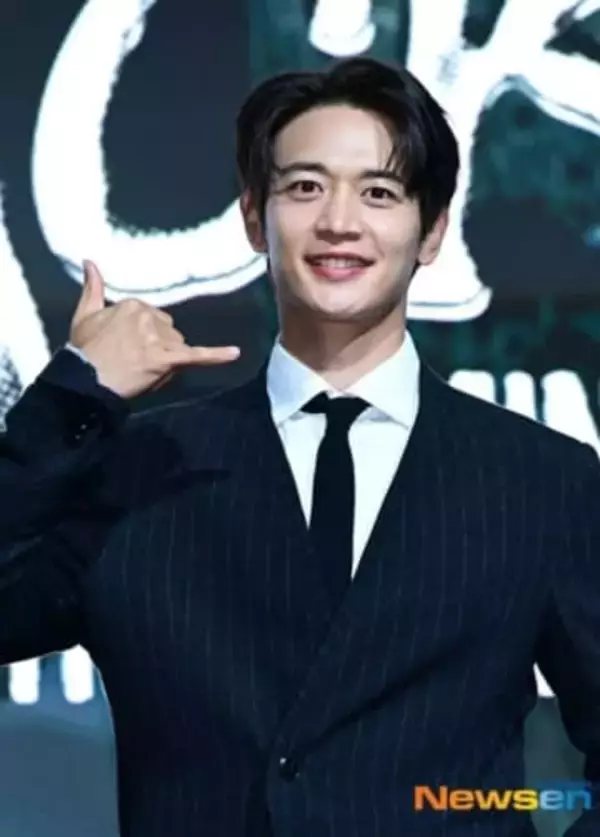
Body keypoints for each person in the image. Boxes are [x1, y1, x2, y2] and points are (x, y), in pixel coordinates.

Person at [0, 57, 599, 837]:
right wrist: (73, 395)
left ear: (432, 230)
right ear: (255, 216)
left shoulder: (541, 479)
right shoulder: (139, 468)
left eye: (379, 192)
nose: (339, 222)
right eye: (305, 187)